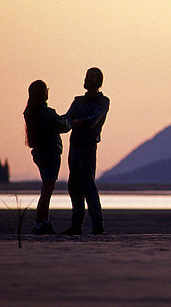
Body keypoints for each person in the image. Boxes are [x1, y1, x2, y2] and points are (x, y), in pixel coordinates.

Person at [61, 67, 110, 235]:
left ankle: (98, 225)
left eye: (90, 78)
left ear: (98, 82)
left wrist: (74, 122)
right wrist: (52, 120)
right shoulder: (78, 101)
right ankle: (76, 225)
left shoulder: (103, 102)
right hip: (74, 146)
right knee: (73, 185)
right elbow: (65, 120)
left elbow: (93, 121)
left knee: (88, 185)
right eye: (86, 77)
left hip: (88, 146)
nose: (87, 80)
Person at [23, 80, 72, 235]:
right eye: (46, 89)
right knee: (47, 190)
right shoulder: (47, 113)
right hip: (51, 153)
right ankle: (38, 223)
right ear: (42, 93)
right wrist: (72, 122)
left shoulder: (30, 112)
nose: (48, 92)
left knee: (46, 187)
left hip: (38, 153)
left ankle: (45, 222)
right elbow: (62, 126)